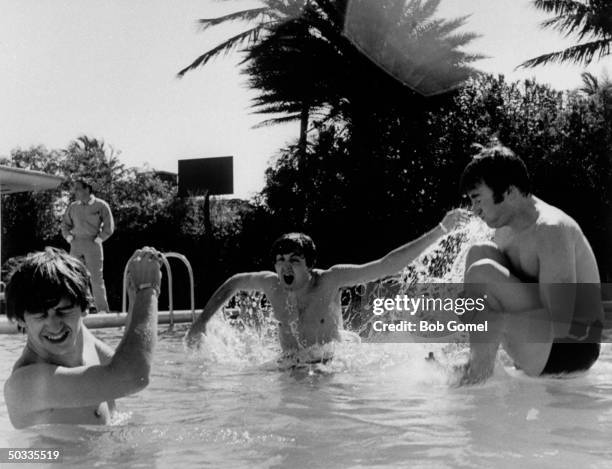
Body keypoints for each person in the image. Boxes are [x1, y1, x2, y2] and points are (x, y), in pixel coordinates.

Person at [186, 209, 469, 361]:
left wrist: (441, 230)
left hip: (331, 364)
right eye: (280, 260)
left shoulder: (330, 280)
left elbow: (387, 265)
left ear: (309, 266)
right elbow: (233, 284)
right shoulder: (270, 284)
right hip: (290, 365)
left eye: (294, 261)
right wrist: (201, 323)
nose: (285, 266)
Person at [458, 145, 603, 383]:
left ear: (510, 192)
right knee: (479, 253)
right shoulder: (504, 230)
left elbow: (562, 323)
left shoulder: (551, 230)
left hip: (571, 350)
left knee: (483, 272)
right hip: (539, 339)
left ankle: (475, 379)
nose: (474, 210)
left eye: (477, 200)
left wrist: (494, 324)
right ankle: (477, 364)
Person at [3, 247, 162, 429]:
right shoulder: (25, 385)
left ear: (84, 308)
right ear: (22, 319)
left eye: (63, 311)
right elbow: (134, 377)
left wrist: (135, 300)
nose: (55, 326)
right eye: (40, 316)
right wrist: (147, 291)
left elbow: (124, 365)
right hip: (50, 457)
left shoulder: (82, 339)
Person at [61, 179, 114, 313]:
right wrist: (68, 237)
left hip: (93, 243)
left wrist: (99, 239)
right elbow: (65, 224)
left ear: (87, 189)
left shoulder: (101, 205)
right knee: (73, 277)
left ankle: (102, 310)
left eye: (78, 188)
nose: (75, 192)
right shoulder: (73, 206)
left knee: (96, 278)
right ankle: (81, 308)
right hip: (76, 244)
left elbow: (109, 226)